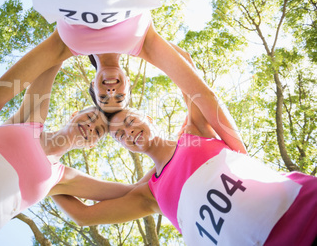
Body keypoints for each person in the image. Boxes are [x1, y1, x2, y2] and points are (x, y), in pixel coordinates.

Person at [0, 0, 247, 156]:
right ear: (128, 80)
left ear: (91, 85)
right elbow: (203, 95)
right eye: (119, 97)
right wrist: (242, 156)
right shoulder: (145, 44)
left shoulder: (64, 47)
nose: (111, 92)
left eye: (103, 97)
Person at [52, 50, 317, 246]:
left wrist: (135, 45)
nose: (129, 131)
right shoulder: (149, 195)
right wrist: (42, 167)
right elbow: (83, 215)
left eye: (131, 121)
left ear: (151, 119)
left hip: (306, 210)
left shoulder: (194, 131)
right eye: (120, 135)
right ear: (123, 146)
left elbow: (184, 62)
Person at [0, 65, 137, 245]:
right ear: (75, 114)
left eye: (97, 131)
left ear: (92, 145)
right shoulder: (32, 122)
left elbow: (131, 192)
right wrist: (80, 45)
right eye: (90, 118)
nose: (90, 127)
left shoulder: (60, 178)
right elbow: (49, 63)